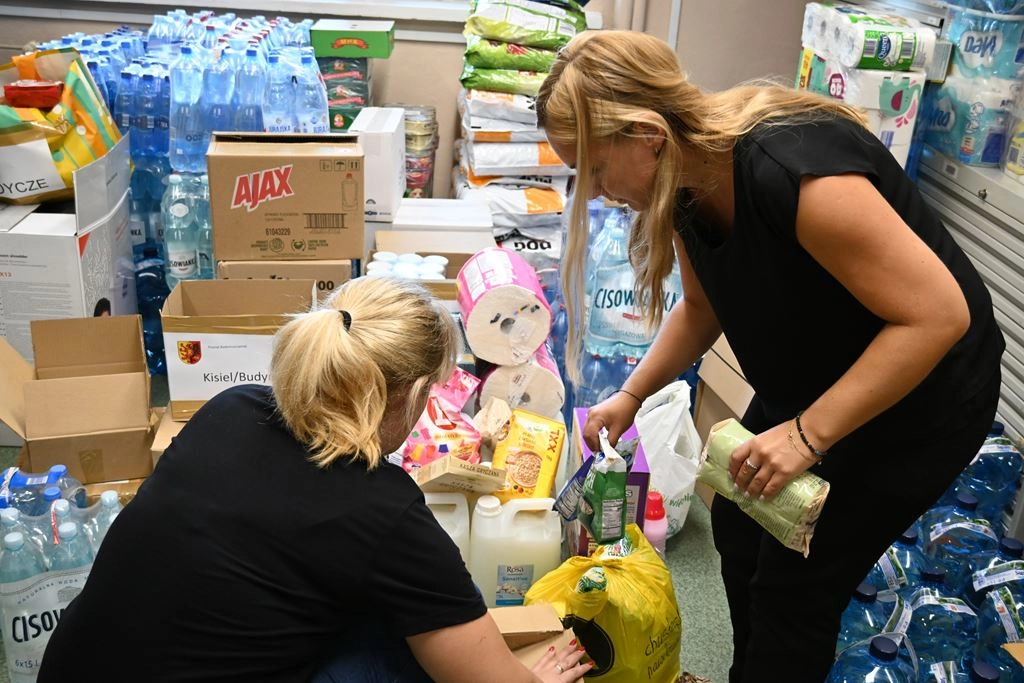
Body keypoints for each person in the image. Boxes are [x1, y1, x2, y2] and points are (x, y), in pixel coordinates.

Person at [538, 30, 1005, 683]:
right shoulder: (682, 174)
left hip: (920, 389)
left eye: (594, 169)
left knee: (795, 579)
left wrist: (807, 435)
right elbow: (702, 307)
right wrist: (630, 395)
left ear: (645, 132)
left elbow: (938, 316)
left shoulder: (794, 175)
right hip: (821, 367)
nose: (594, 191)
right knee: (735, 518)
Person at [38, 276, 592, 683]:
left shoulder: (229, 409)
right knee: (401, 653)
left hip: (69, 668)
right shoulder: (384, 511)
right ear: (417, 393)